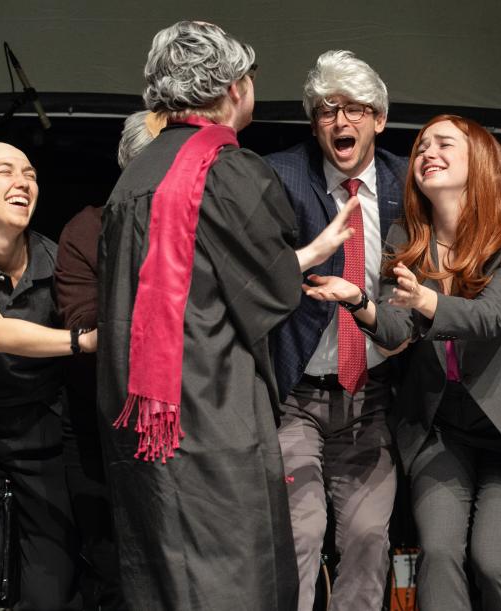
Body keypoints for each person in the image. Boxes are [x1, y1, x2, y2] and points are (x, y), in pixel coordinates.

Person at [96, 22, 356, 609]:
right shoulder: (229, 170)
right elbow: (266, 291)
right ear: (236, 88)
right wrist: (306, 262)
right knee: (231, 574)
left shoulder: (132, 177)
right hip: (210, 409)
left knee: (160, 567)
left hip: (137, 410)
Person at [304, 114, 501, 611]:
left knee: (493, 560)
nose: (427, 152)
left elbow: (490, 318)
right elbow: (395, 330)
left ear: (480, 161)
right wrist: (357, 301)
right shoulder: (406, 237)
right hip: (440, 425)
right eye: (422, 145)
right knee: (440, 551)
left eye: (444, 144)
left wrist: (426, 303)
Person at [262, 50, 406, 611]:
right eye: (326, 111)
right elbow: (256, 272)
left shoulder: (404, 183)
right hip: (295, 395)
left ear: (379, 119)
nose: (340, 122)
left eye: (353, 110)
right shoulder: (281, 175)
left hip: (370, 400)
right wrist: (311, 252)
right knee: (301, 533)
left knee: (370, 538)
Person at [0, 142, 96, 611]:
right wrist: (80, 341)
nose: (23, 182)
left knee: (54, 581)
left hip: (41, 429)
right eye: (5, 172)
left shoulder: (55, 259)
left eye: (30, 174)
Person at [54, 110, 164, 609]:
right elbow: (87, 325)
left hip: (185, 425)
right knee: (116, 568)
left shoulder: (208, 226)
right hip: (102, 426)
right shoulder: (88, 229)